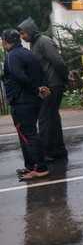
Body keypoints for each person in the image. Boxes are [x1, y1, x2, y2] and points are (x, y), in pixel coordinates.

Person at [1, 29, 51, 180]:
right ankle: (30, 166)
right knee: (26, 135)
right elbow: (41, 72)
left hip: (22, 101)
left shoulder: (12, 56)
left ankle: (40, 168)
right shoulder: (27, 53)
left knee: (28, 135)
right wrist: (40, 88)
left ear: (6, 41)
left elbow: (19, 76)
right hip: (32, 100)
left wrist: (36, 89)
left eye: (3, 40)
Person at [18, 18, 69, 161]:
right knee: (52, 118)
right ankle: (58, 150)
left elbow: (58, 62)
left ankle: (47, 153)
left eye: (23, 33)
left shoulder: (44, 41)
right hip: (48, 85)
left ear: (30, 31)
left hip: (52, 85)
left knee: (45, 119)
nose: (22, 37)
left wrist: (65, 78)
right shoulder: (35, 43)